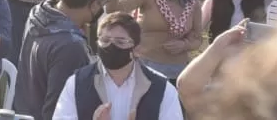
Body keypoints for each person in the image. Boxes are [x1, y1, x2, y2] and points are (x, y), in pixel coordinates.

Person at [14, 0, 115, 120]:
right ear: (94, 5)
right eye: (102, 4)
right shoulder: (70, 47)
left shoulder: (38, 14)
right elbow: (58, 110)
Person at [51, 12, 185, 119]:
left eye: (120, 42)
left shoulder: (161, 88)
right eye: (105, 41)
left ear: (136, 49)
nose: (111, 47)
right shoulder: (77, 83)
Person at [106, 0, 204, 80]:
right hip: (145, 65)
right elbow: (113, 9)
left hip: (177, 70)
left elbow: (197, 38)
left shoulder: (193, 3)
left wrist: (184, 45)